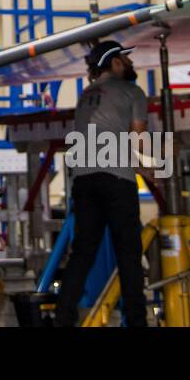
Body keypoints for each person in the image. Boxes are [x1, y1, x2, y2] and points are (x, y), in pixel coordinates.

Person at [55, 40, 150, 328]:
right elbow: (138, 141)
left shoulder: (85, 95)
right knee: (129, 254)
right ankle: (136, 321)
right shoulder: (133, 91)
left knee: (83, 252)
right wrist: (152, 172)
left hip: (83, 181)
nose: (131, 64)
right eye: (125, 59)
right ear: (116, 63)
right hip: (116, 180)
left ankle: (63, 317)